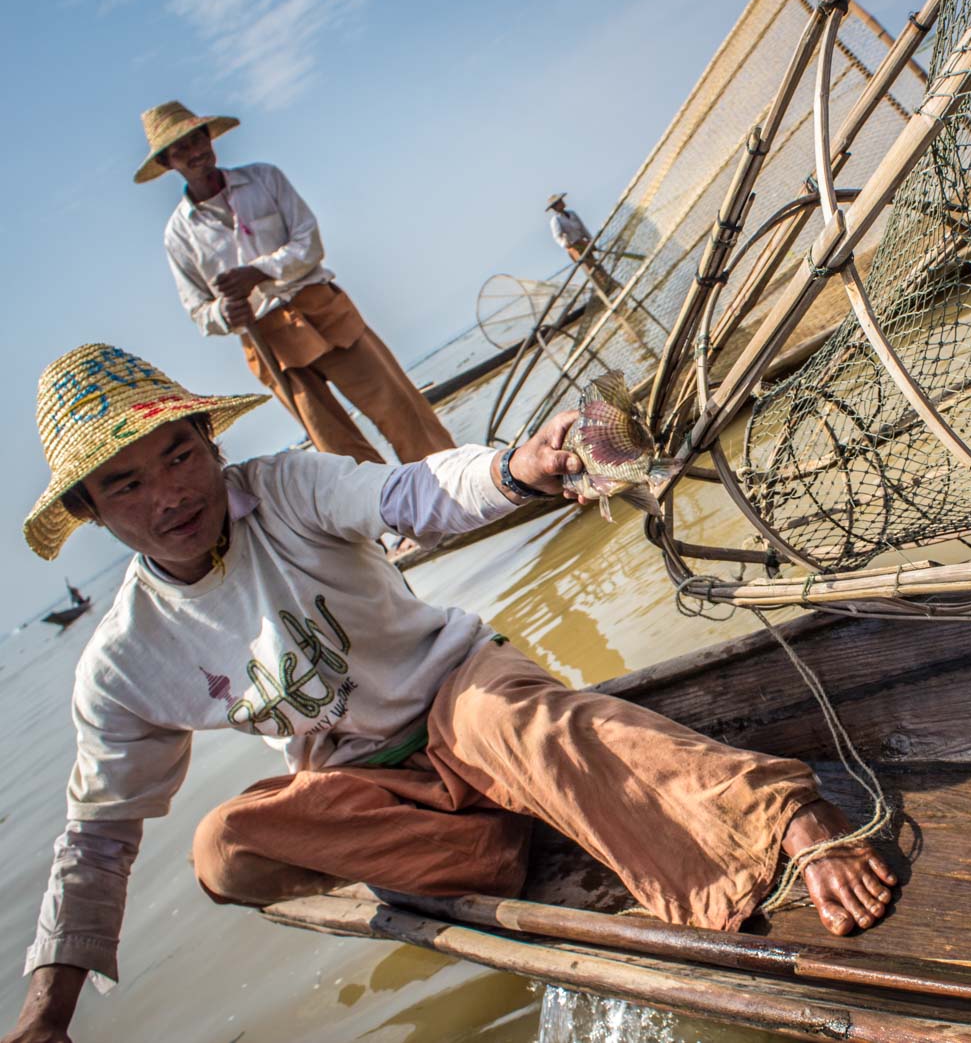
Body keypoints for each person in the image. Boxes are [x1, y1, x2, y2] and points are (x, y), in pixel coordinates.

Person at [5, 344, 894, 1043]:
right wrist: (48, 1012)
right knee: (224, 851)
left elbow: (412, 492)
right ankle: (485, 851)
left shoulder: (282, 487)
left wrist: (518, 467)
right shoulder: (125, 660)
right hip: (370, 780)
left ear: (209, 443)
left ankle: (776, 815)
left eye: (180, 453)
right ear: (90, 511)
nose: (170, 493)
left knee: (526, 724)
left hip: (454, 691)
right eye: (126, 482)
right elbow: (98, 838)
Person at [137, 100, 454, 465]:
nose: (195, 153)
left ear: (209, 137)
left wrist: (258, 272)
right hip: (270, 342)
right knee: (335, 447)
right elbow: (199, 311)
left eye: (197, 140)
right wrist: (226, 311)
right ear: (167, 163)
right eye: (181, 150)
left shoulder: (263, 178)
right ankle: (390, 514)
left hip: (322, 309)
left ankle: (457, 494)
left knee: (401, 409)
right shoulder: (179, 234)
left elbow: (309, 243)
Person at [548, 193, 620, 296]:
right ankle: (603, 290)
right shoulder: (556, 220)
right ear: (555, 207)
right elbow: (557, 236)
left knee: (596, 264)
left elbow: (582, 227)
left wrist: (591, 240)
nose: (562, 203)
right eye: (559, 202)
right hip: (573, 246)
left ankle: (609, 283)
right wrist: (565, 244)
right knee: (589, 267)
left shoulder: (572, 213)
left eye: (561, 201)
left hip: (582, 242)